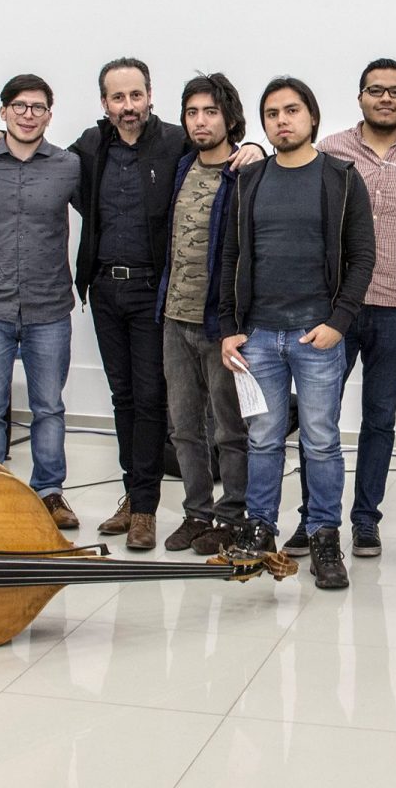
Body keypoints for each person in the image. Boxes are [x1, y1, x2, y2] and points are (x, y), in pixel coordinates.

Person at [0, 59, 262, 549]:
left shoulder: (176, 142)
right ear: (104, 103)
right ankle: (133, 496)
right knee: (124, 398)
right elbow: (37, 156)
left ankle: (146, 508)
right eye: (117, 98)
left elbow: (220, 149)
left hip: (155, 293)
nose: (128, 106)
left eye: (135, 96)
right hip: (107, 291)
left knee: (152, 401)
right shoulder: (89, 147)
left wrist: (254, 146)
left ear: (150, 96)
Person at [280, 58, 396, 559]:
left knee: (380, 417)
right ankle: (313, 519)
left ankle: (366, 519)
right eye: (376, 89)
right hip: (334, 310)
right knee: (319, 418)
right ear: (360, 97)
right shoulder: (330, 149)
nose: (385, 98)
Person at [219, 77, 376, 590]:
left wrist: (338, 322)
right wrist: (229, 329)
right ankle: (260, 529)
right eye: (272, 114)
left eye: (291, 110)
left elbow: (362, 256)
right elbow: (230, 256)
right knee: (263, 439)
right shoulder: (250, 179)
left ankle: (324, 535)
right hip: (259, 337)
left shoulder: (341, 178)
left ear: (312, 116)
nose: (281, 121)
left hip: (316, 337)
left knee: (321, 441)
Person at [0, 74, 81, 528]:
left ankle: (49, 493)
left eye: (38, 107)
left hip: (49, 308)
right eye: (19, 106)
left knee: (49, 407)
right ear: (3, 111)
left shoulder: (69, 166)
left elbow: (106, 213)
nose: (28, 115)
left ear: (49, 115)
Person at [157, 73, 251, 555]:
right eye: (192, 112)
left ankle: (232, 517)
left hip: (221, 325)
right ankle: (197, 513)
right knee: (184, 428)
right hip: (175, 318)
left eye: (210, 112)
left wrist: (255, 148)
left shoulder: (246, 172)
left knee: (230, 429)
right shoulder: (181, 167)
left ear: (229, 118)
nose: (200, 121)